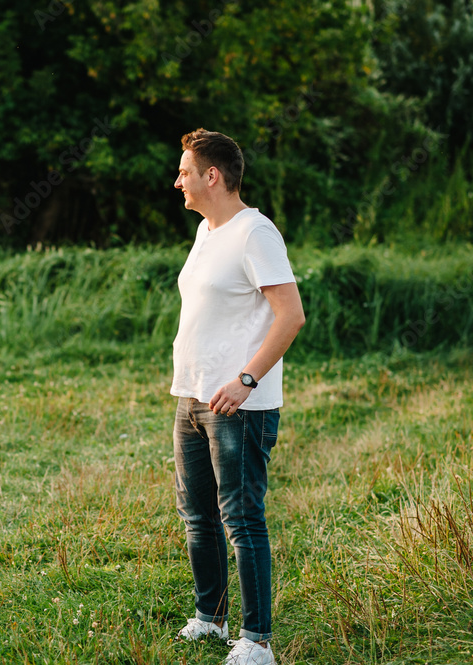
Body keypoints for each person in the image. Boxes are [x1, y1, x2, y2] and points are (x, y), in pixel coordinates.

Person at [169, 129, 305, 665]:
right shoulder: (206, 231)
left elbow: (290, 315)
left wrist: (246, 380)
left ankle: (257, 641)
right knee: (197, 516)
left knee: (241, 517)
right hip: (192, 398)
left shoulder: (255, 233)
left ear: (212, 175)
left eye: (184, 170)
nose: (177, 179)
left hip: (239, 405)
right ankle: (210, 618)